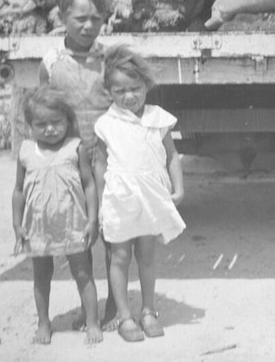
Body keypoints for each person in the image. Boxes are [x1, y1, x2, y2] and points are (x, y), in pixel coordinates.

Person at [38, 0, 119, 331]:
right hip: (71, 165)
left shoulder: (110, 59)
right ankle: (90, 309)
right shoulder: (51, 62)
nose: (89, 26)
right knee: (79, 237)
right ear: (62, 18)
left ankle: (116, 305)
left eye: (96, 19)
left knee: (115, 232)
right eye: (79, 19)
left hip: (109, 160)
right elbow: (44, 114)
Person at [94, 44, 186, 342]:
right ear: (109, 91)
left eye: (134, 88)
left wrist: (179, 187)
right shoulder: (106, 124)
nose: (128, 96)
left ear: (146, 85)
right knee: (119, 257)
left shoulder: (158, 118)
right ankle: (124, 316)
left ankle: (148, 310)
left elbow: (171, 155)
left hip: (149, 198)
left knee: (147, 255)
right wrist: (98, 204)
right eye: (120, 91)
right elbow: (99, 166)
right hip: (119, 200)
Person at [12, 85, 103, 345]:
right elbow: (18, 191)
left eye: (56, 122)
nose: (50, 129)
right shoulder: (26, 151)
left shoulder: (76, 148)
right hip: (38, 228)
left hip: (73, 224)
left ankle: (92, 321)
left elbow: (88, 185)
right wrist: (17, 224)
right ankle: (44, 323)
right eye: (41, 124)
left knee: (83, 273)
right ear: (30, 125)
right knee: (41, 275)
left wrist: (92, 220)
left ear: (67, 121)